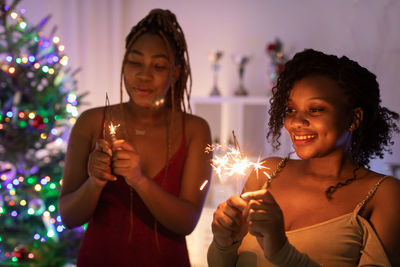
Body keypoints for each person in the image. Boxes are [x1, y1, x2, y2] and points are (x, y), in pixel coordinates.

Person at [208, 49, 400, 266]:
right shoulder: (266, 173)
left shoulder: (385, 195)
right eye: (290, 109)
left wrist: (281, 251)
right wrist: (224, 243)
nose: (296, 122)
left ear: (354, 118)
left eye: (315, 109)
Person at [58, 9, 212, 266]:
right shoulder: (91, 123)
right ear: (124, 63)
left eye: (159, 66)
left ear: (175, 73)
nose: (144, 75)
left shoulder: (195, 130)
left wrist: (139, 179)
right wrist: (95, 181)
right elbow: (69, 216)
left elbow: (186, 222)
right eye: (135, 62)